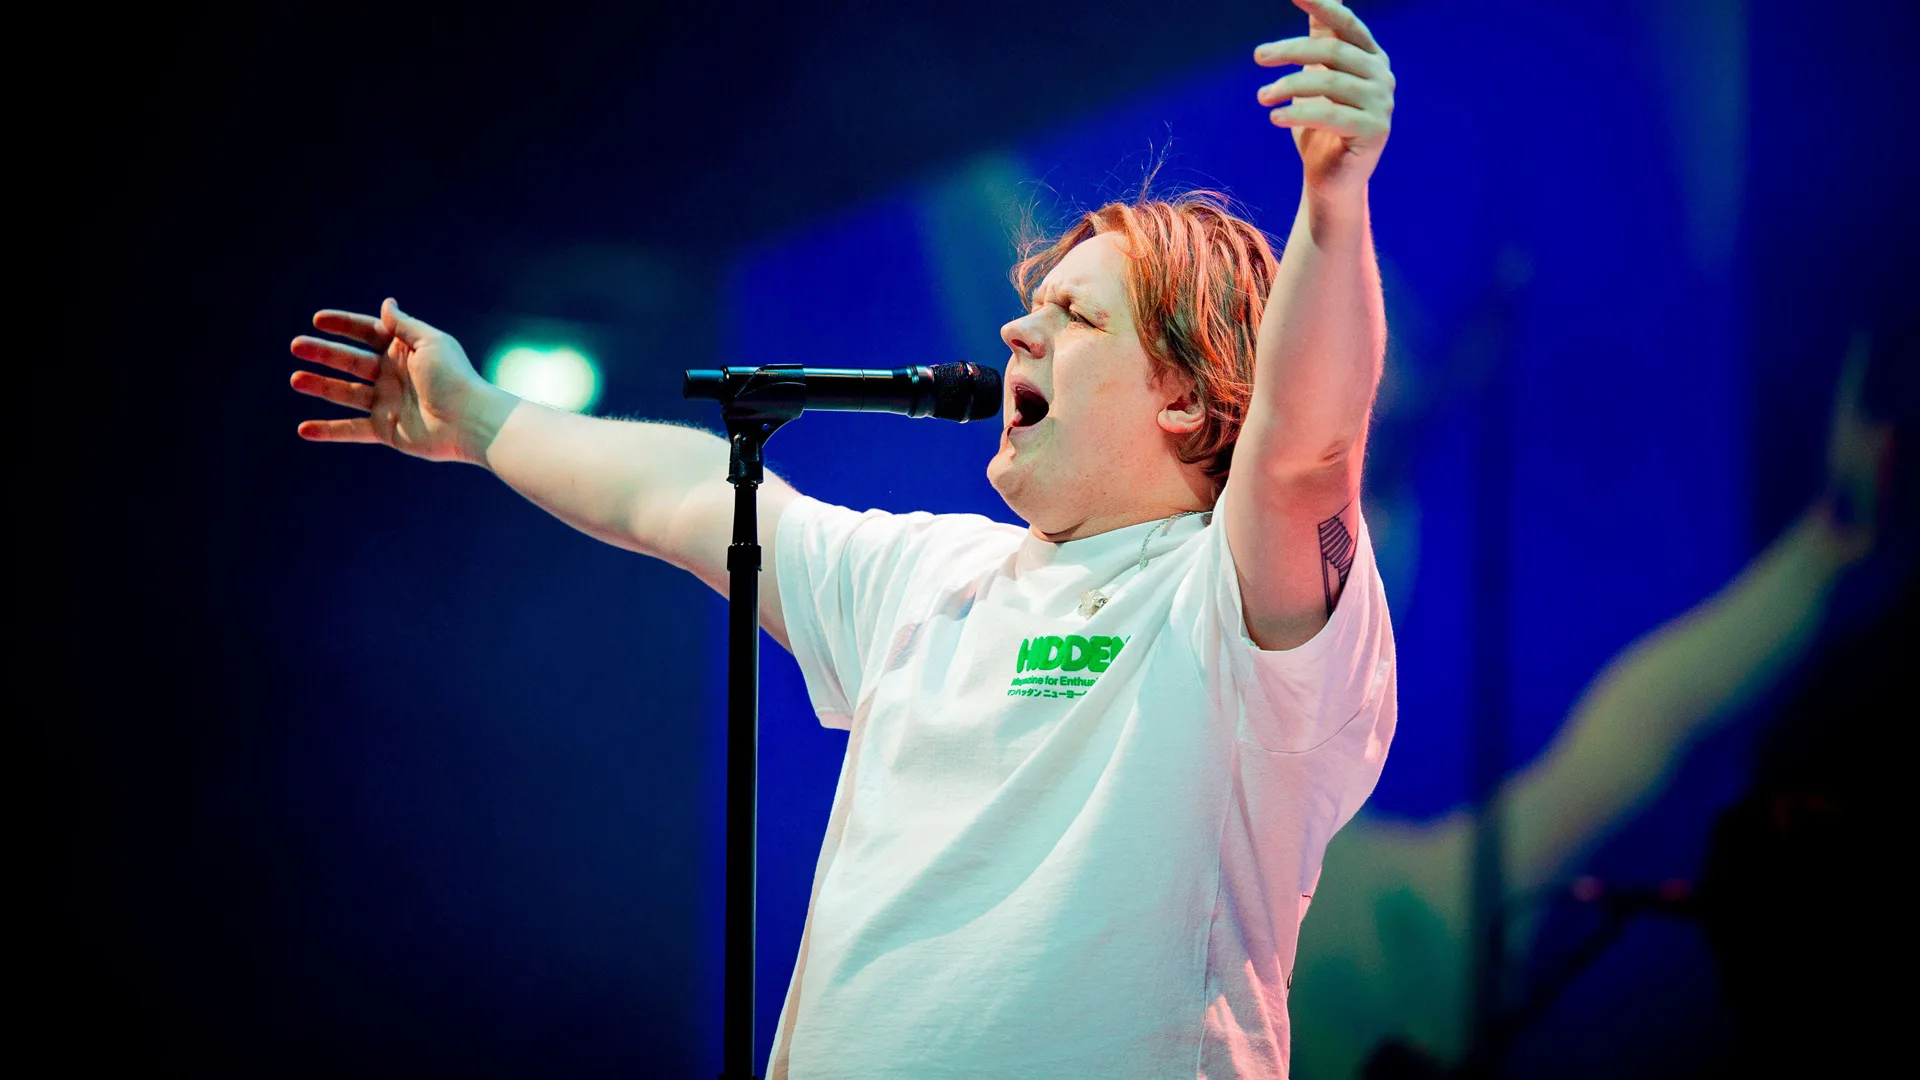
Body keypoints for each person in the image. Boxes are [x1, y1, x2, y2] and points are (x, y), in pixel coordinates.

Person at [288, 2, 1398, 1075]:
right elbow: (684, 497)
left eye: (1077, 317)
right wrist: (482, 421)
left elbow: (1304, 454)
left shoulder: (1232, 608)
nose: (1018, 326)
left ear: (1189, 403)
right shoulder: (934, 579)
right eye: (1035, 304)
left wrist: (1334, 201)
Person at [1283, 335, 1898, 1079]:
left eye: (1377, 466)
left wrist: (1831, 545)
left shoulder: (1405, 916)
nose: (1349, 521)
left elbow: (1645, 722)